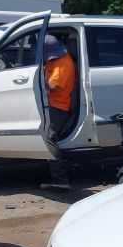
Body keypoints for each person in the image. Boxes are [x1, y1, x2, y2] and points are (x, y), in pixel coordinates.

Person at [40, 35, 76, 191]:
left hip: (59, 107)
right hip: (51, 105)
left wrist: (38, 78)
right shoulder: (55, 60)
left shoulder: (63, 64)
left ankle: (61, 180)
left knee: (49, 139)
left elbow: (53, 87)